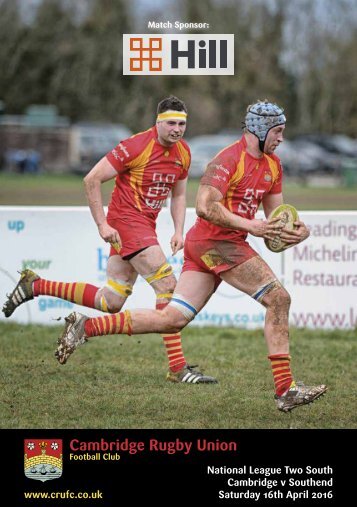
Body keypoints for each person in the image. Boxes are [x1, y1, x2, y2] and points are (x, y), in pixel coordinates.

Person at [56, 99, 327, 411]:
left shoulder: (273, 167)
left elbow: (274, 224)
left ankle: (85, 328)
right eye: (277, 131)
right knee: (279, 299)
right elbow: (205, 206)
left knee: (171, 319)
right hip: (216, 243)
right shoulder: (227, 160)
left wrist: (294, 232)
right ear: (260, 130)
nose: (281, 138)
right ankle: (285, 390)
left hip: (217, 245)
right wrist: (252, 226)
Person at [2, 95, 217, 385]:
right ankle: (177, 368)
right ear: (158, 122)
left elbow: (178, 194)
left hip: (144, 228)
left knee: (111, 300)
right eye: (171, 123)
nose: (177, 129)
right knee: (168, 287)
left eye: (181, 124)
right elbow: (91, 179)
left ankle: (35, 285)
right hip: (126, 225)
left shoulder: (184, 153)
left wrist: (178, 230)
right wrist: (102, 224)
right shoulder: (135, 146)